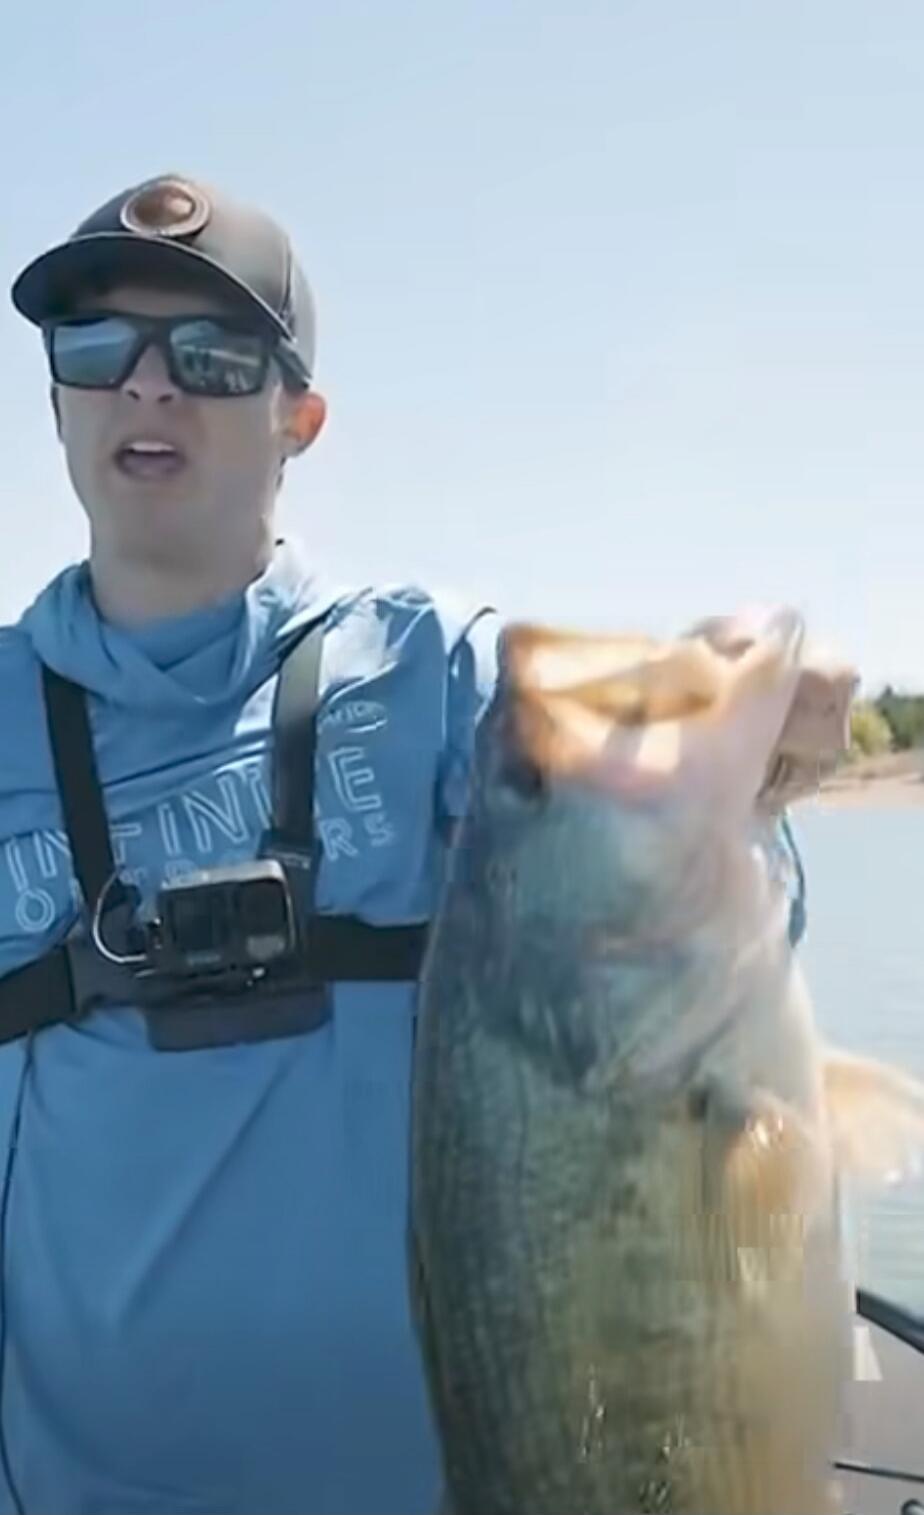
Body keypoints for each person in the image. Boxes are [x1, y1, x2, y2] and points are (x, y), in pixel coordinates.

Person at [0, 172, 499, 1515]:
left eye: (211, 358)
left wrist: (758, 745)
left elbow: (681, 879)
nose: (147, 389)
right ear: (55, 402)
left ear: (299, 421)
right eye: (98, 351)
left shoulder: (438, 671)